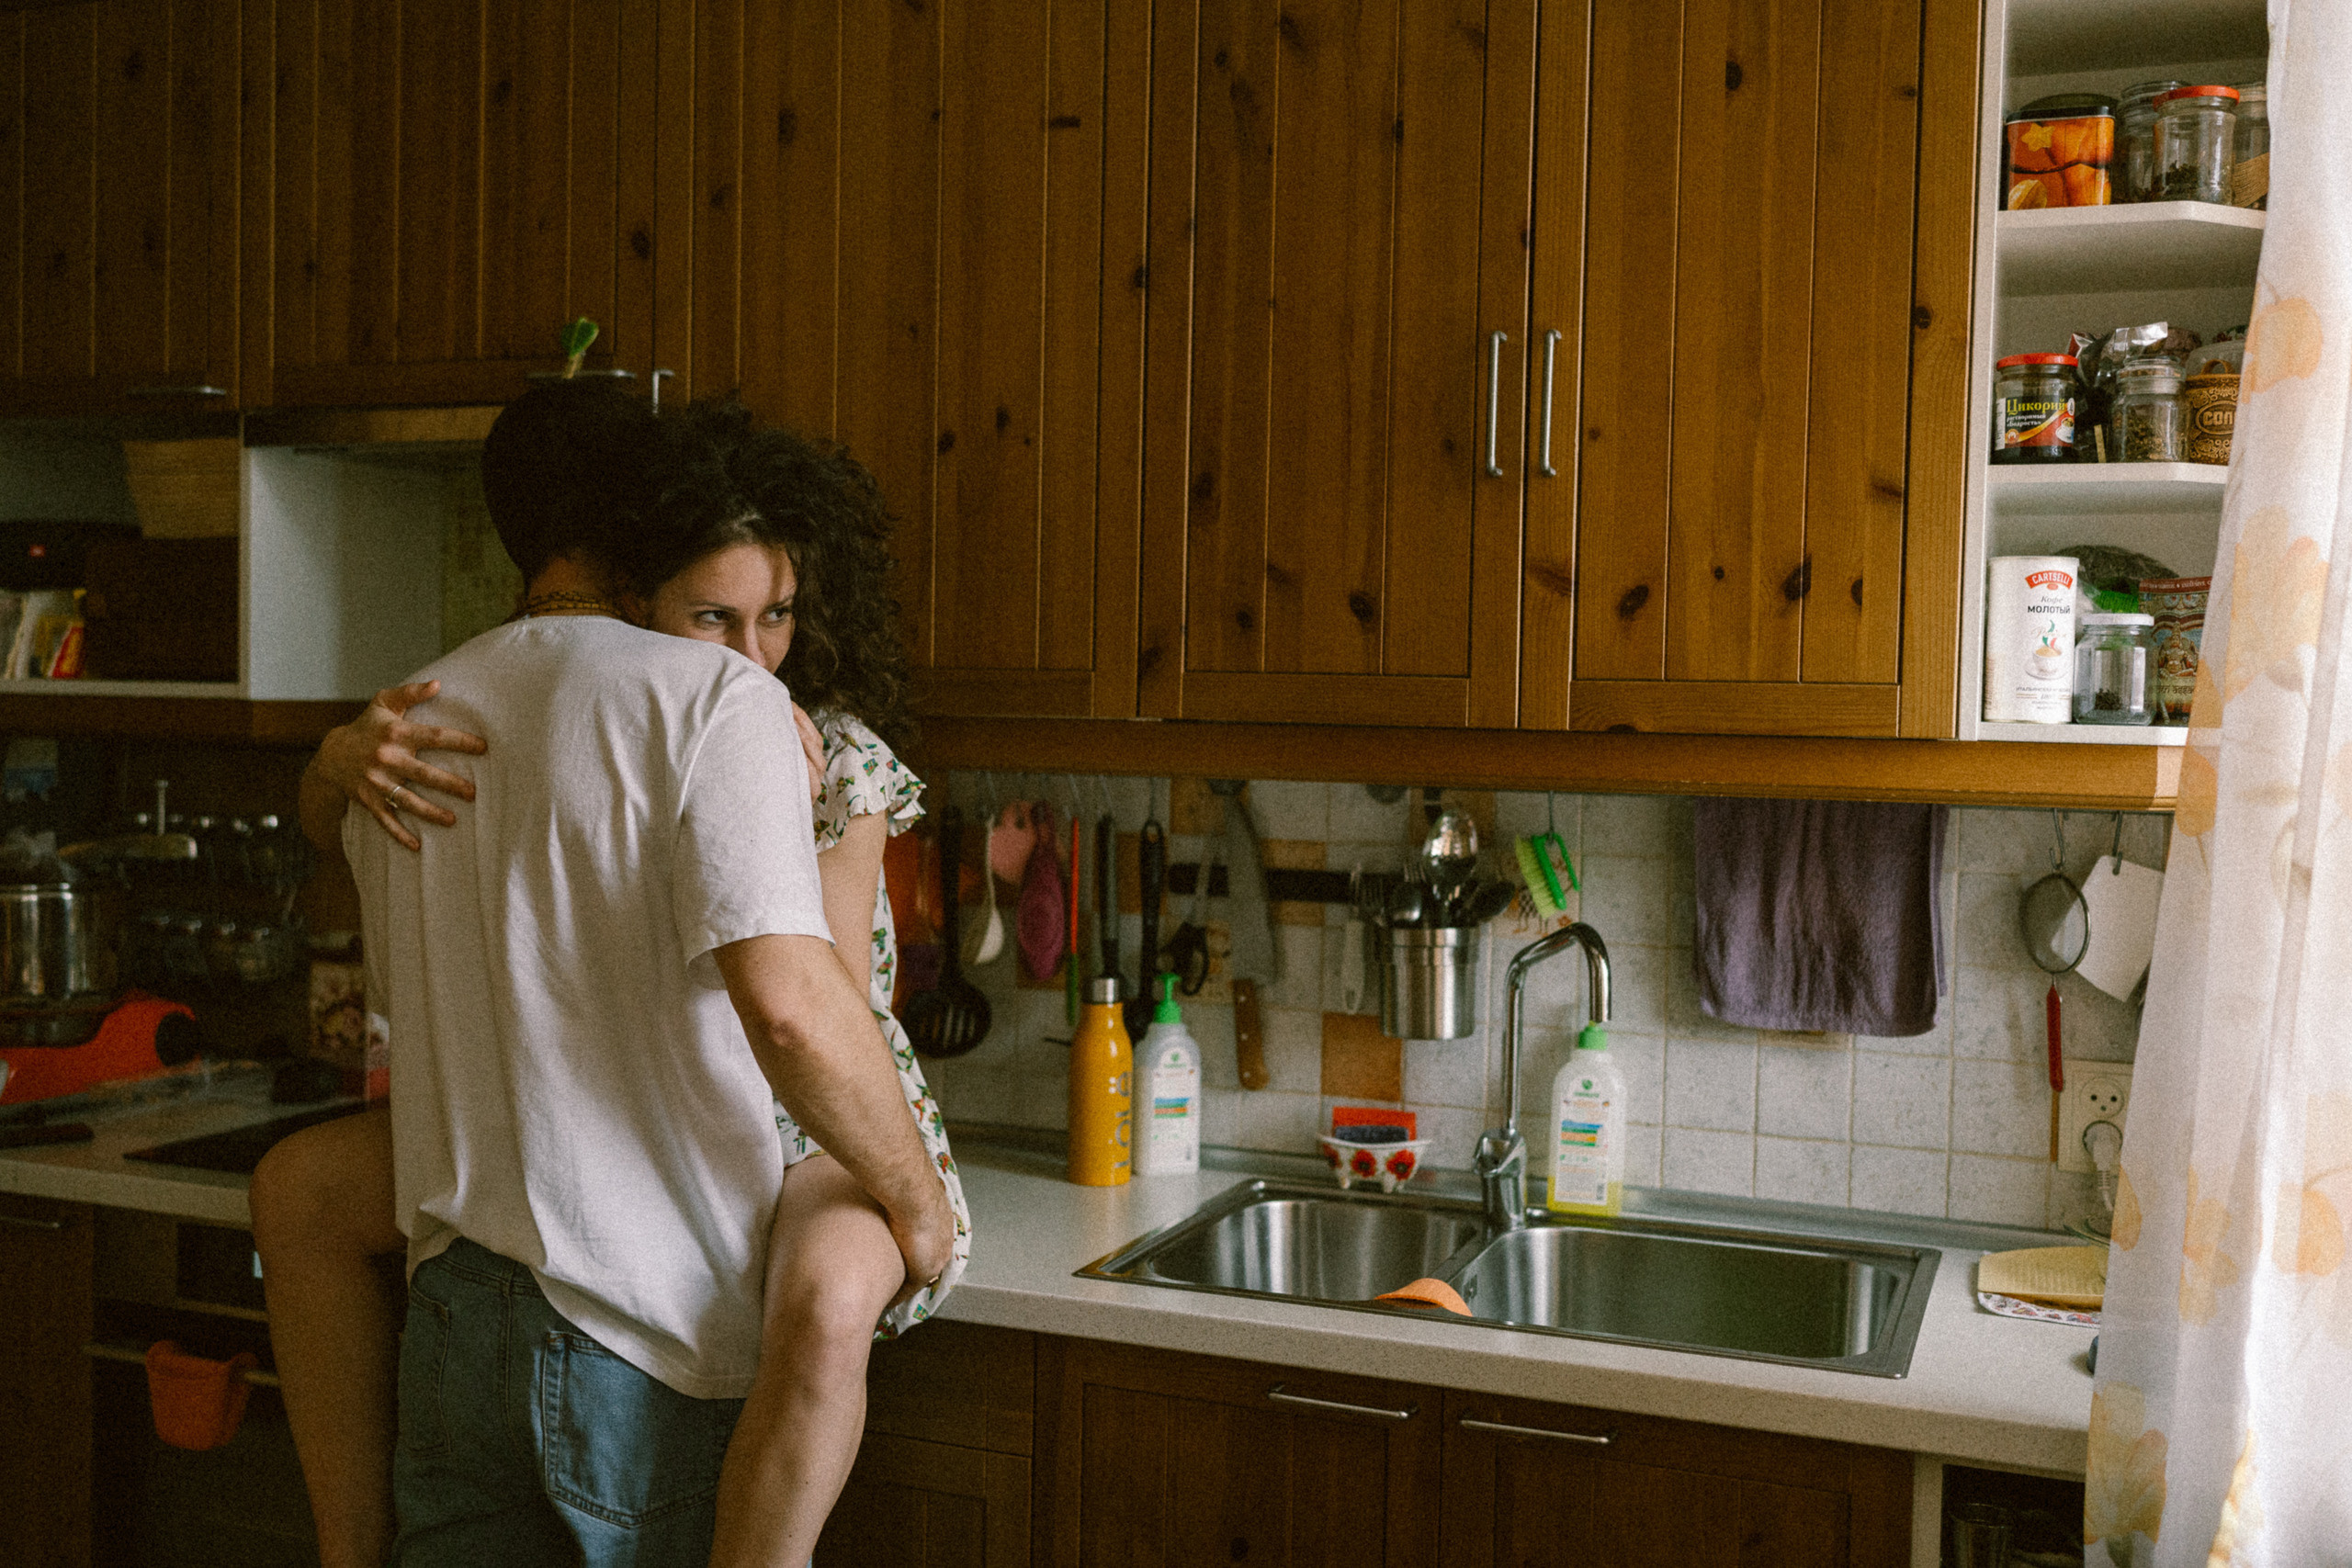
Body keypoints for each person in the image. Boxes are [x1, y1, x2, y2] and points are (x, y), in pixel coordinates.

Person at [251, 384, 960, 1568]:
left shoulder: (406, 719)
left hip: (452, 1314)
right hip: (636, 1323)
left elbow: (368, 928)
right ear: (643, 519)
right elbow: (796, 1006)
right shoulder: (710, 703)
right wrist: (921, 1201)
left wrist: (325, 777)